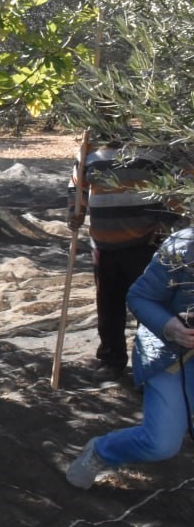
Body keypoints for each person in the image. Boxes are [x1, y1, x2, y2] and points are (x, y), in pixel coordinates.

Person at [68, 227, 194, 488]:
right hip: (171, 355)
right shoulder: (184, 245)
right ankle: (102, 451)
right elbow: (140, 297)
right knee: (161, 444)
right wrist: (170, 326)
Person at [68, 133, 179, 380]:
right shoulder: (89, 149)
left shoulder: (151, 146)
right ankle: (111, 359)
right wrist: (74, 212)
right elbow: (77, 186)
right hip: (103, 243)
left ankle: (150, 365)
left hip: (145, 243)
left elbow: (178, 184)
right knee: (108, 305)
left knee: (148, 305)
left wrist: (165, 223)